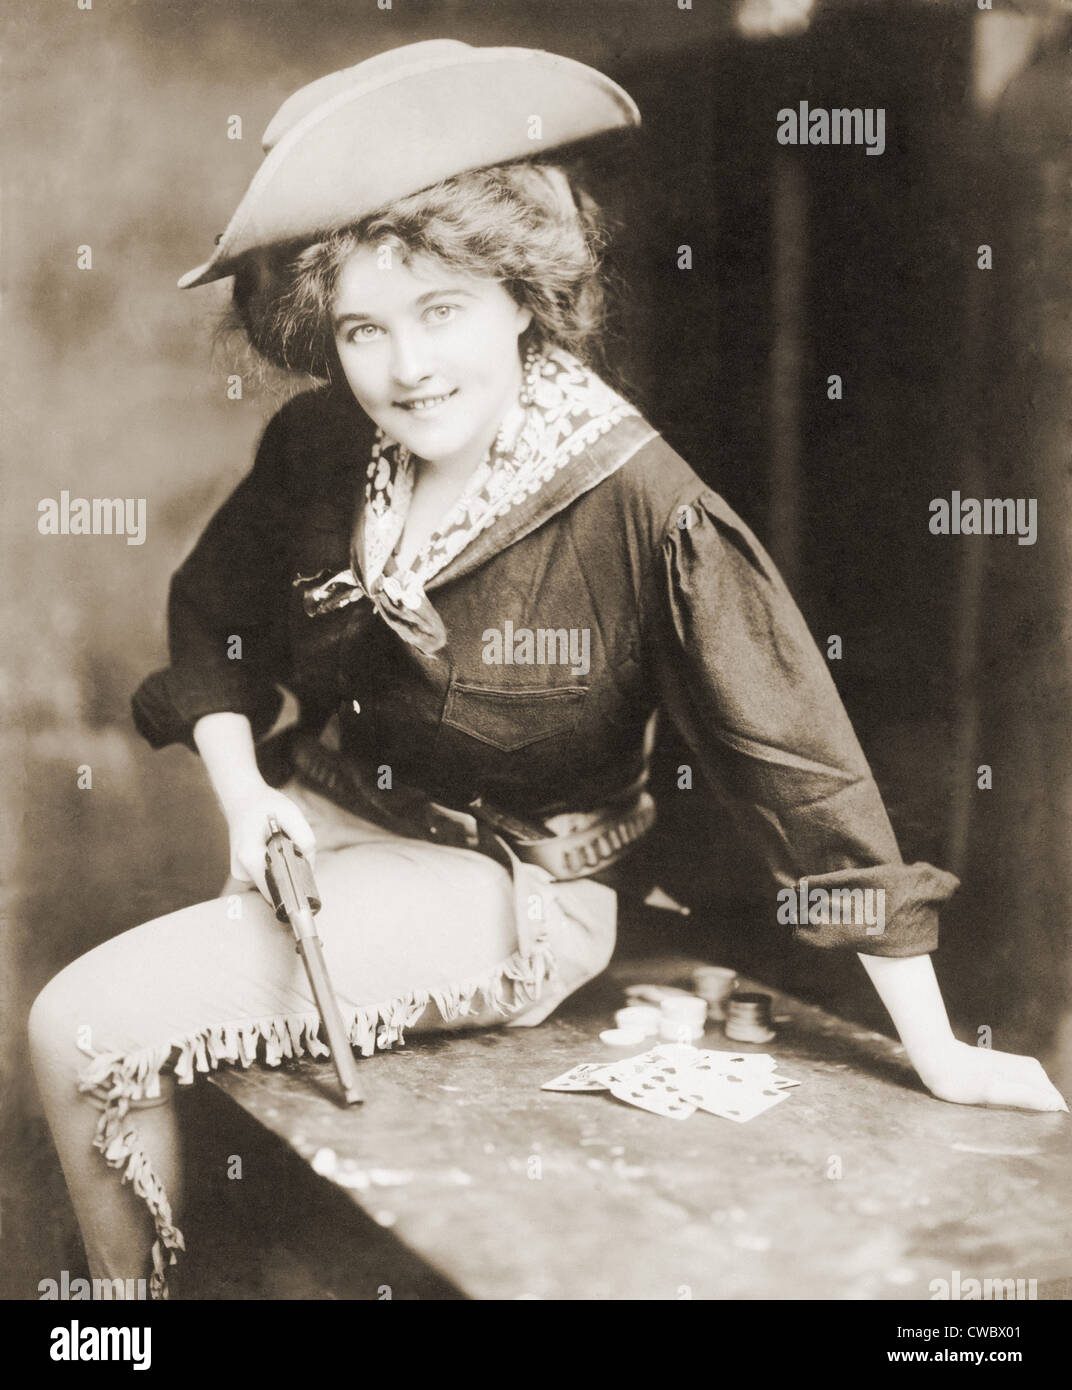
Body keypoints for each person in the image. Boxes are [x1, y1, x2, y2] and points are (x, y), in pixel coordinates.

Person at [28, 39, 1067, 1301]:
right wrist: (249, 801)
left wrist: (939, 1048)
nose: (407, 368)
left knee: (79, 1027)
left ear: (523, 294)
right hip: (323, 841)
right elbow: (215, 624)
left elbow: (804, 784)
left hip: (509, 890)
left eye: (444, 310)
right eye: (365, 326)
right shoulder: (323, 445)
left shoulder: (643, 507)